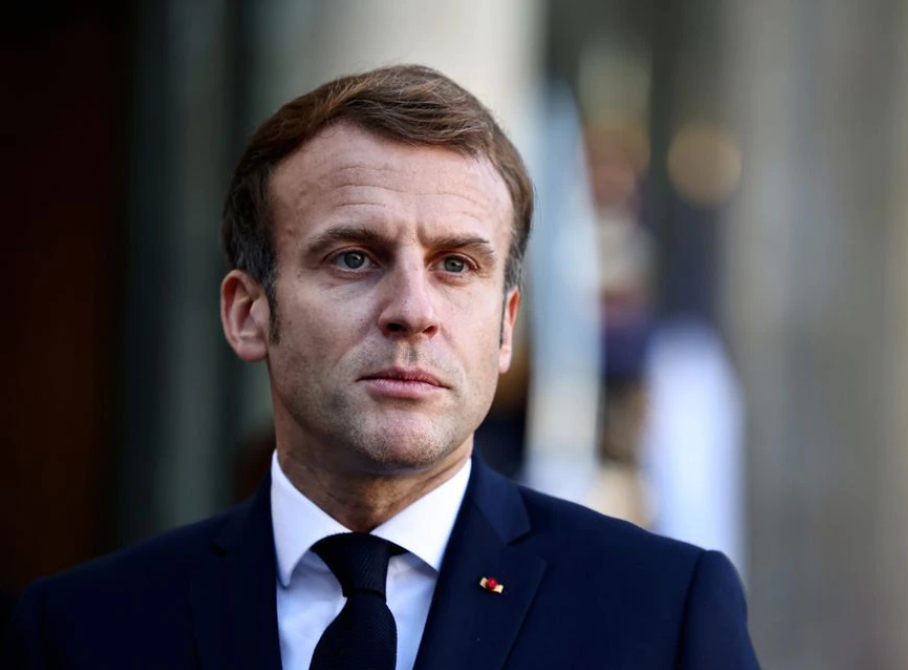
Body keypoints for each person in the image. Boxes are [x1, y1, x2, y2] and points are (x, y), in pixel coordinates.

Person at [2, 64, 760, 670]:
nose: (412, 309)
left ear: (505, 327)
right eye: (354, 257)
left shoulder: (662, 613)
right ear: (247, 312)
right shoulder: (80, 631)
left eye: (456, 264)